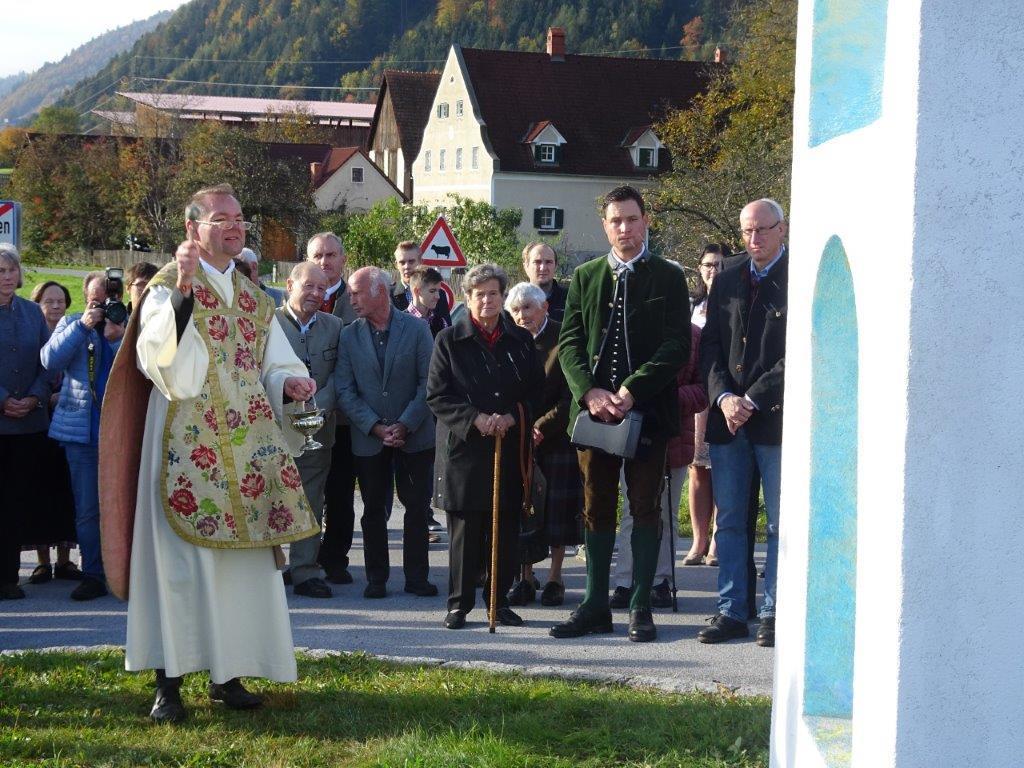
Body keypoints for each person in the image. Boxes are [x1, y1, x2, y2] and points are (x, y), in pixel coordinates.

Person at [100, 183, 320, 723]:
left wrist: (289, 382)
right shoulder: (166, 286)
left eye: (239, 218)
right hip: (185, 446)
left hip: (245, 452)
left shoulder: (254, 297)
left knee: (237, 569)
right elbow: (158, 357)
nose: (235, 226)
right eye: (221, 218)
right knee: (177, 567)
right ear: (192, 229)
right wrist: (185, 293)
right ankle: (168, 685)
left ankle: (229, 675)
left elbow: (274, 360)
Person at [551, 185, 688, 643]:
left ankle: (640, 604)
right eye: (616, 221)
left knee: (645, 506)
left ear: (645, 221)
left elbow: (677, 345)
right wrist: (588, 391)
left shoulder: (668, 276)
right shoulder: (586, 276)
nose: (624, 228)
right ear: (605, 226)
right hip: (595, 416)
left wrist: (632, 390)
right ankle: (594, 604)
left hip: (646, 413)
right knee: (595, 507)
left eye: (631, 219)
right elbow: (569, 342)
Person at [427, 264, 544, 629]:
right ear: (468, 297)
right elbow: (437, 395)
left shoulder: (520, 340)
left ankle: (499, 600)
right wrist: (474, 418)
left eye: (494, 294)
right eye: (480, 295)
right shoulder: (448, 339)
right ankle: (458, 605)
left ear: (503, 297)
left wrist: (512, 416)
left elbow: (537, 391)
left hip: (507, 448)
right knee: (465, 531)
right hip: (464, 450)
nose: (487, 301)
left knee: (505, 529)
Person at [697, 198, 788, 648]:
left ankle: (774, 610)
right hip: (728, 421)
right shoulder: (728, 276)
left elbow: (800, 350)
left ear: (782, 229)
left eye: (762, 230)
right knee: (730, 520)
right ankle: (732, 609)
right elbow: (710, 346)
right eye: (747, 231)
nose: (754, 239)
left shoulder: (799, 274)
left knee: (779, 523)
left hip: (773, 420)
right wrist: (725, 398)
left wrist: (751, 398)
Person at [337, 267, 438, 599]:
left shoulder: (418, 329)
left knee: (417, 508)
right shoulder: (349, 335)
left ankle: (417, 577)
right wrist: (376, 427)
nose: (351, 299)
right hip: (370, 438)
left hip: (415, 435)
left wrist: (405, 423)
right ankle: (376, 578)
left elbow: (429, 383)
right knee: (373, 510)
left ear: (379, 292)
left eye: (356, 293)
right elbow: (345, 390)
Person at [41, 270, 128, 601]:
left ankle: (123, 572)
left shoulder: (130, 326)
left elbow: (147, 370)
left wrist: (119, 337)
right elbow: (49, 360)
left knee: (124, 507)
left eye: (108, 301)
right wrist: (83, 326)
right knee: (88, 510)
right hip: (83, 435)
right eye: (95, 301)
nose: (102, 307)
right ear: (85, 298)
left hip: (121, 433)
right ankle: (93, 574)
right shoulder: (73, 323)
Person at [610, 322, 708, 608]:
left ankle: (661, 580)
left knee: (666, 510)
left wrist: (670, 398)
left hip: (674, 435)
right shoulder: (633, 326)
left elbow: (703, 390)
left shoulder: (693, 334)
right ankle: (625, 581)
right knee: (632, 509)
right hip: (634, 431)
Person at [504, 282, 582, 607]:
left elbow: (571, 393)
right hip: (518, 436)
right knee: (524, 509)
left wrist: (541, 426)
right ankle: (525, 577)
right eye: (516, 310)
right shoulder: (507, 340)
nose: (522, 316)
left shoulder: (564, 337)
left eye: (528, 309)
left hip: (557, 438)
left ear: (544, 308)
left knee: (558, 511)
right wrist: (521, 425)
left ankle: (554, 577)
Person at [275, 262, 343, 599]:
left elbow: (341, 375)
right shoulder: (267, 324)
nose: (317, 293)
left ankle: (304, 570)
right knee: (270, 498)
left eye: (322, 288)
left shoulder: (335, 326)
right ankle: (268, 570)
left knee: (311, 501)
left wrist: (318, 407)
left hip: (318, 430)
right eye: (309, 286)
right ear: (290, 285)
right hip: (273, 431)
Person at [0, 245, 54, 600]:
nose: (6, 277)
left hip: (28, 425)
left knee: (16, 502)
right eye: (0, 271)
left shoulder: (33, 313)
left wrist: (34, 397)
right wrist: (3, 399)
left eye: (11, 270)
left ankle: (8, 577)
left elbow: (48, 362)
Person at [306, 231, 358, 585]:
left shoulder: (354, 302)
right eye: (318, 256)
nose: (324, 262)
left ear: (342, 259)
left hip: (343, 418)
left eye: (330, 255)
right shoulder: (295, 298)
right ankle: (303, 557)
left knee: (340, 492)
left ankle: (335, 557)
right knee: (307, 491)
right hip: (301, 415)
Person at [25, 281, 78, 584]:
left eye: (60, 300)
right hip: (37, 421)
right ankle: (42, 562)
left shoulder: (73, 330)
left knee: (64, 491)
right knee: (40, 492)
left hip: (68, 422)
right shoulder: (31, 334)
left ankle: (65, 560)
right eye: (49, 301)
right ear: (38, 304)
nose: (56, 306)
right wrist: (44, 397)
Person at [687, 244, 726, 566]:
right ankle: (698, 541)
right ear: (700, 269)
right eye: (708, 264)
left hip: (723, 393)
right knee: (697, 468)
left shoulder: (734, 301)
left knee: (722, 468)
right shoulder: (692, 305)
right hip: (697, 395)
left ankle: (716, 541)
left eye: (719, 264)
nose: (714, 270)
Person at [392, 240, 453, 326]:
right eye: (402, 262)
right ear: (396, 265)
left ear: (420, 262)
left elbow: (447, 329)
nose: (407, 266)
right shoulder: (388, 295)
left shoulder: (439, 294)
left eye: (411, 261)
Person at [522, 242, 568, 322]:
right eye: (537, 262)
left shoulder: (570, 299)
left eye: (548, 262)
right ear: (526, 266)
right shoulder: (513, 302)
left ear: (556, 266)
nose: (543, 268)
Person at [406, 265, 450, 338]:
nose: (438, 296)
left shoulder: (441, 322)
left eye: (438, 291)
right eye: (432, 291)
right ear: (417, 291)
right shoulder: (400, 322)